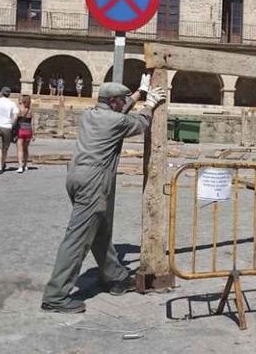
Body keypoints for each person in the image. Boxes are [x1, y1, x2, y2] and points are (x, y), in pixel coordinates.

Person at [41, 73, 165, 314]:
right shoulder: (115, 122)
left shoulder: (90, 115)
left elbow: (123, 109)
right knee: (77, 238)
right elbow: (141, 122)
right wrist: (150, 104)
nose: (125, 102)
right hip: (93, 181)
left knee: (99, 231)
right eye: (123, 99)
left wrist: (140, 91)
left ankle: (115, 277)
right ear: (114, 102)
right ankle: (55, 296)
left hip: (76, 176)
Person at [15, 95, 34, 173]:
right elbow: (33, 123)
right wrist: (34, 134)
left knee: (20, 149)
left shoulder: (19, 110)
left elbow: (15, 120)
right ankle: (25, 165)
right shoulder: (31, 111)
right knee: (26, 149)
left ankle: (20, 166)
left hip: (20, 130)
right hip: (28, 131)